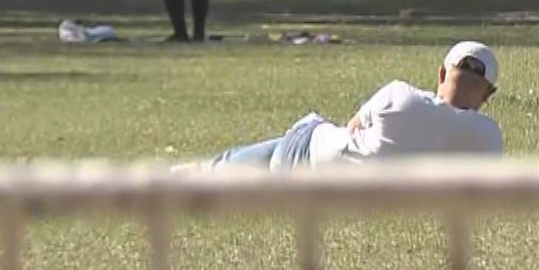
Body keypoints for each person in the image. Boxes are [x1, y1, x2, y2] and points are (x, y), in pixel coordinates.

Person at [202, 41, 504, 169]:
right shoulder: (488, 138)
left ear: (441, 73)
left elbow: (353, 126)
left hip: (305, 153)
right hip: (317, 171)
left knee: (225, 166)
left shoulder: (400, 95)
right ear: (488, 95)